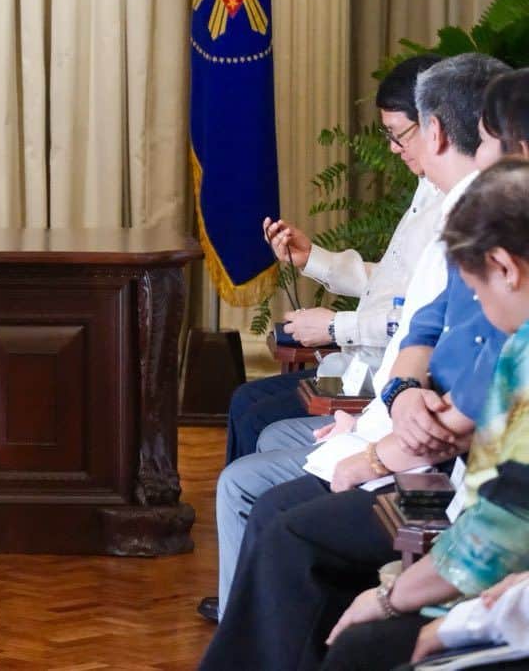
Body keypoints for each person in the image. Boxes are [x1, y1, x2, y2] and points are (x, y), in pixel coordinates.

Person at [200, 133, 529, 671]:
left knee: (308, 557)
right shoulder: (512, 330)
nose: (478, 317)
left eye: (479, 293)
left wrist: (392, 597)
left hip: (446, 495)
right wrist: (400, 399)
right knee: (285, 515)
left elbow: (497, 528)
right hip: (444, 485)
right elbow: (429, 348)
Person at [227, 55, 442, 465]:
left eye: (399, 135)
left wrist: (333, 325)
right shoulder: (427, 186)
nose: (394, 150)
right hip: (367, 365)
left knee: (257, 420)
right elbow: (395, 281)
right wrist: (313, 259)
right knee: (245, 402)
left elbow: (422, 315)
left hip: (385, 380)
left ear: (436, 124)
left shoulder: (460, 204)